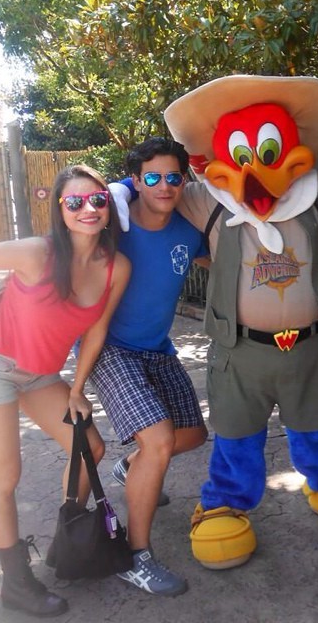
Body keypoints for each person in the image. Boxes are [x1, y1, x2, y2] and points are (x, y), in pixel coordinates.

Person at [163, 75, 318, 570]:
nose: (256, 171)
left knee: (316, 423)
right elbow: (155, 191)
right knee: (237, 432)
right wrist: (112, 194)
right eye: (242, 157)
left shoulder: (316, 197)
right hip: (240, 351)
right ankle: (224, 502)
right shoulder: (210, 202)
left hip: (309, 347)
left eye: (268, 152)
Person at [0, 164, 130, 617]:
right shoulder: (38, 252)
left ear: (109, 207)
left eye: (97, 200)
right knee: (4, 478)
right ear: (60, 209)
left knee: (89, 446)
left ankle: (67, 542)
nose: (88, 209)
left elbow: (96, 330)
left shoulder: (116, 267)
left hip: (42, 376)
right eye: (75, 202)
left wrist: (77, 388)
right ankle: (16, 584)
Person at [90, 138, 208, 596]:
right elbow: (68, 228)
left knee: (192, 436)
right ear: (136, 181)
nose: (164, 186)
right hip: (110, 347)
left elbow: (229, 253)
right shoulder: (113, 225)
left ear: (184, 180)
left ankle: (130, 467)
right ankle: (135, 556)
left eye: (173, 177)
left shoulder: (189, 230)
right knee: (157, 440)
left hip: (157, 348)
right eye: (152, 177)